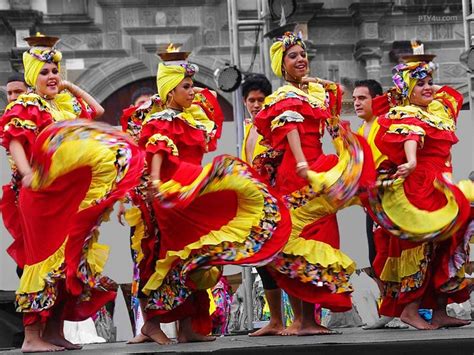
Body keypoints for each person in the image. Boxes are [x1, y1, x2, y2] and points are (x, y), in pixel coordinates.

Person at [0, 34, 143, 352]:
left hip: (65, 196)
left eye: (55, 70)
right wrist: (26, 175)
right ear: (31, 75)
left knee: (67, 262)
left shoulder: (60, 106)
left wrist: (69, 86)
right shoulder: (27, 104)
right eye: (45, 71)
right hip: (40, 196)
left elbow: (98, 110)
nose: (52, 76)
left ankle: (53, 331)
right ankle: (31, 337)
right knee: (42, 262)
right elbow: (13, 139)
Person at [137, 52, 291, 344]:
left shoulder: (191, 117)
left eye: (192, 84)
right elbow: (156, 152)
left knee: (197, 258)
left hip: (195, 192)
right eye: (186, 86)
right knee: (177, 259)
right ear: (170, 90)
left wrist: (180, 67)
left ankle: (187, 328)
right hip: (174, 196)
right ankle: (155, 324)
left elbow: (205, 98)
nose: (192, 90)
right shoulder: (161, 120)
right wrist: (156, 182)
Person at [254, 32, 374, 336]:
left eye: (303, 54)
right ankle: (301, 320)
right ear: (281, 64)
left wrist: (312, 81)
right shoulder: (283, 96)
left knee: (318, 242)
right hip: (300, 172)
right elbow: (291, 128)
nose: (301, 59)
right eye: (293, 56)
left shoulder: (310, 94)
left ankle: (306, 319)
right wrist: (304, 164)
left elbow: (337, 92)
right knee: (297, 243)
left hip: (316, 167)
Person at [368, 57, 473, 330]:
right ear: (407, 91)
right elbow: (411, 137)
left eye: (429, 82)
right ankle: (410, 309)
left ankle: (439, 309)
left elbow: (451, 94)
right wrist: (412, 161)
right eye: (421, 84)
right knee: (422, 247)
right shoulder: (407, 114)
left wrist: (422, 79)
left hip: (441, 186)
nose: (429, 88)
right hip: (421, 186)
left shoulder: (437, 110)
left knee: (446, 246)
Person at [239, 73, 289, 336]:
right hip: (257, 205)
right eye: (251, 100)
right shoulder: (249, 129)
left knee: (285, 261)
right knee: (264, 262)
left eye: (261, 99)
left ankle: (295, 320)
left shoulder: (275, 127)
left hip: (278, 203)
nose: (256, 104)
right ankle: (276, 321)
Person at [118, 87, 163, 344]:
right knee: (143, 265)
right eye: (139, 108)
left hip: (166, 207)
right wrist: (124, 201)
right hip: (140, 210)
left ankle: (185, 326)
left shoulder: (163, 131)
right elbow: (123, 173)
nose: (144, 112)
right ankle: (148, 326)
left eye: (149, 106)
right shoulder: (130, 143)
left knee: (173, 266)